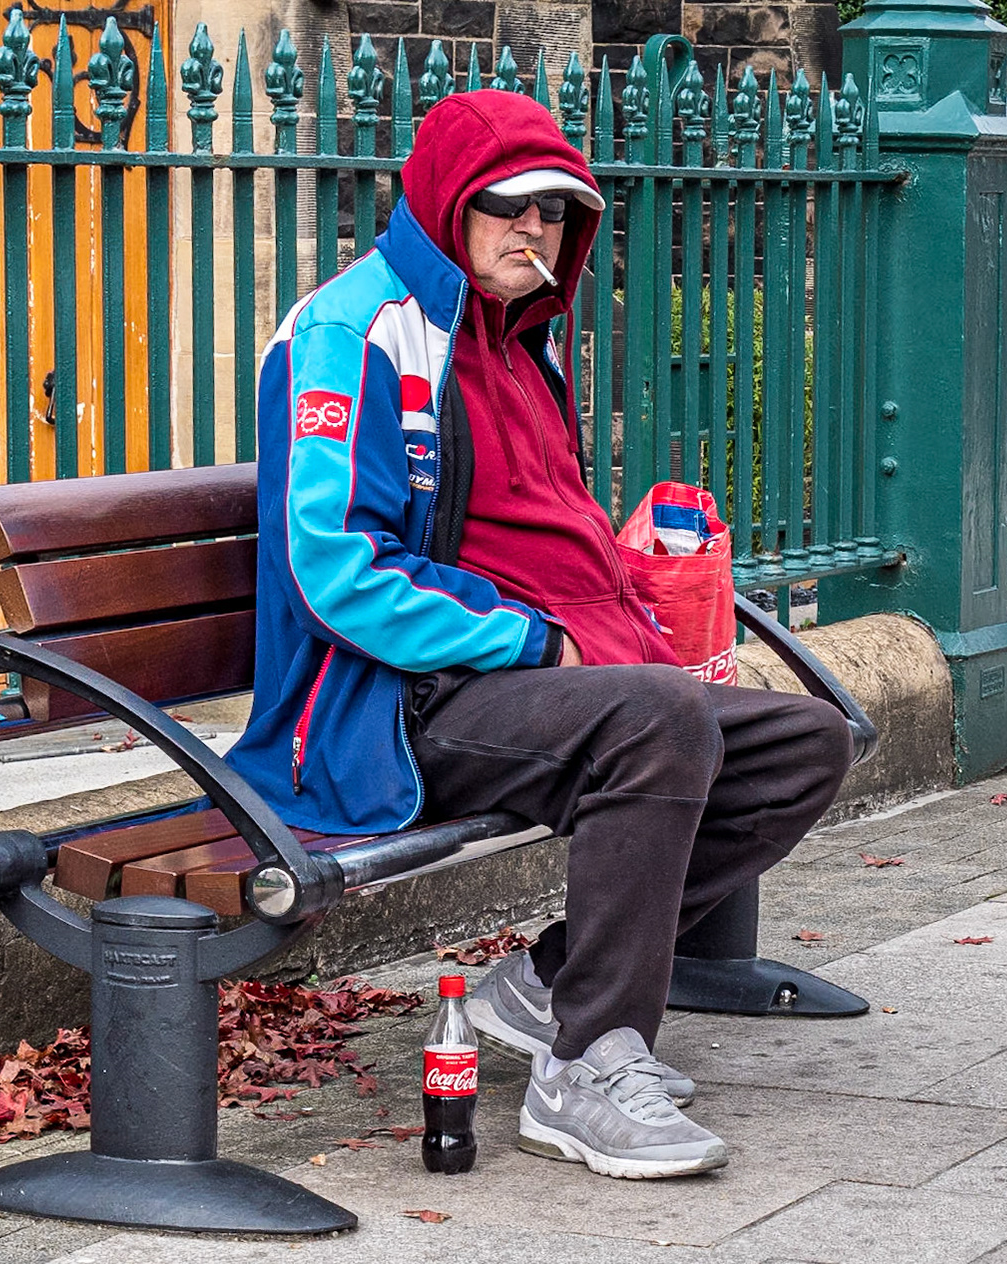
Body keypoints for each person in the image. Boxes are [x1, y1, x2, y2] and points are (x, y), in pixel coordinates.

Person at [225, 89, 853, 1179]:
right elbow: (333, 570)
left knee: (807, 740)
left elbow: (547, 530)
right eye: (507, 205)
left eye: (557, 212)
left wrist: (628, 621)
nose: (535, 231)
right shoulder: (351, 334)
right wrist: (537, 640)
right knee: (658, 720)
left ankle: (554, 978)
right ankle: (587, 1064)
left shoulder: (522, 343)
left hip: (516, 688)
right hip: (382, 707)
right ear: (445, 206)